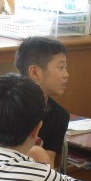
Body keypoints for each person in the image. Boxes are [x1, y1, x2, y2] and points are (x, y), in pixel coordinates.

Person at [14, 36, 71, 169]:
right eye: (61, 67)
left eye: (65, 68)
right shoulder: (9, 105)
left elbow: (48, 166)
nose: (66, 74)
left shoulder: (60, 116)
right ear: (35, 72)